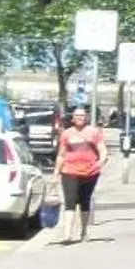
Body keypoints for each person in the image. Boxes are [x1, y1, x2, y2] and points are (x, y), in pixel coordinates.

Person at [55, 104, 108, 242]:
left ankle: (84, 232)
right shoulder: (67, 134)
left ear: (87, 118)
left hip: (90, 173)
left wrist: (101, 162)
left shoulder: (94, 132)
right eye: (77, 116)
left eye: (82, 116)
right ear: (72, 118)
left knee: (85, 201)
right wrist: (56, 173)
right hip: (69, 172)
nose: (80, 118)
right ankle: (67, 234)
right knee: (70, 201)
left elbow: (102, 150)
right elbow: (61, 154)